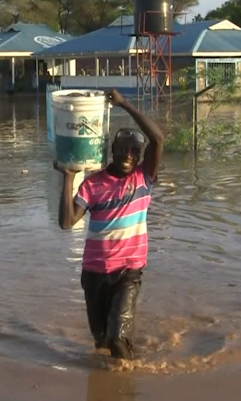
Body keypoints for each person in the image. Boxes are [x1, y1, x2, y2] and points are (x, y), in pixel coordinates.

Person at [54, 89, 164, 360]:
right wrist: (69, 177)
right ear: (111, 150)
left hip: (128, 271)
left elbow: (157, 137)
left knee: (118, 338)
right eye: (123, 149)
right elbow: (67, 222)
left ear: (139, 157)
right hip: (94, 273)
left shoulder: (143, 179)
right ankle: (105, 384)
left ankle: (125, 383)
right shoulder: (93, 183)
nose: (128, 154)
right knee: (102, 340)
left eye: (134, 151)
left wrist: (124, 103)